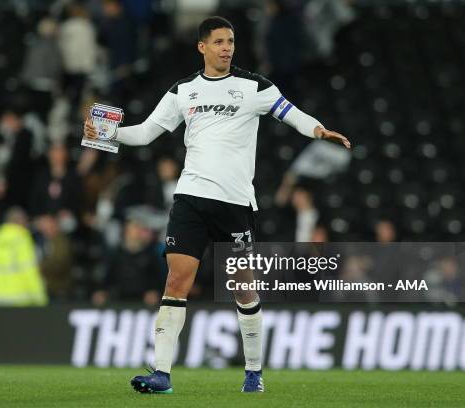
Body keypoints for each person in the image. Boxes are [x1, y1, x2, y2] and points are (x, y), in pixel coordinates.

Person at [83, 16, 350, 394]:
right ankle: (161, 373)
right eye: (220, 41)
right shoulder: (183, 91)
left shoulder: (254, 86)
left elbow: (289, 112)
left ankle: (253, 371)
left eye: (231, 41)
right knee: (176, 281)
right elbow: (145, 133)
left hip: (235, 203)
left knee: (243, 289)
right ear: (202, 47)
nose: (227, 48)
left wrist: (318, 129)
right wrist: (105, 131)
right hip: (190, 198)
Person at [0, 207, 48, 307]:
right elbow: (29, 271)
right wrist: (41, 299)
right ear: (19, 221)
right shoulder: (22, 239)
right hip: (23, 302)